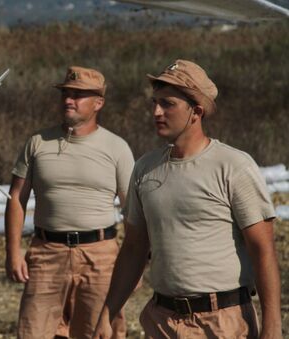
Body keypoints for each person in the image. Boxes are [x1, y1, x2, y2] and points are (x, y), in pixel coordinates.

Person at [93, 60, 281, 339]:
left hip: (222, 323)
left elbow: (262, 250)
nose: (156, 112)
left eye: (168, 104)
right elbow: (134, 248)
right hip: (162, 321)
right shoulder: (145, 168)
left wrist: (272, 328)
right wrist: (107, 314)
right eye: (155, 103)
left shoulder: (232, 166)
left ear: (196, 111)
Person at [5, 66, 134, 339]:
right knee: (33, 331)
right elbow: (17, 197)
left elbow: (132, 210)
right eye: (65, 94)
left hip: (100, 257)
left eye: (78, 95)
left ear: (99, 103)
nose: (68, 100)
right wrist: (13, 252)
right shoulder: (37, 143)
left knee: (100, 332)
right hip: (46, 254)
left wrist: (132, 266)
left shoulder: (117, 147)